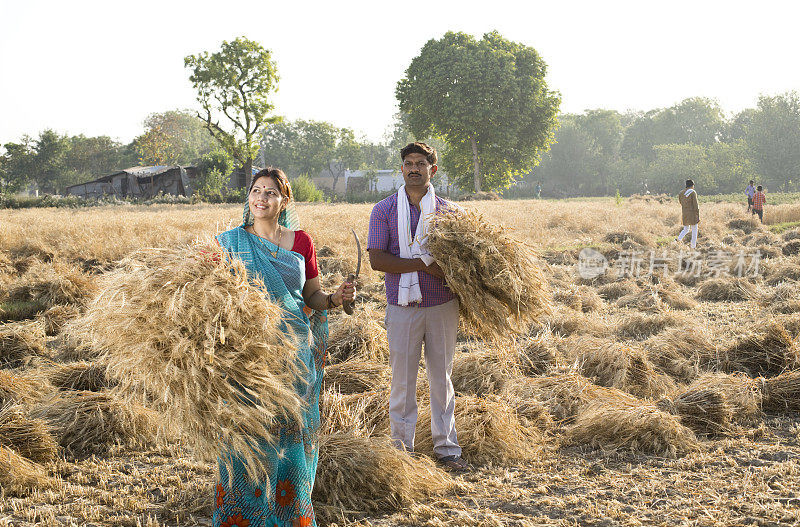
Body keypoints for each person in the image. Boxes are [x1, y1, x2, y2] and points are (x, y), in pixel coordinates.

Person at [214, 167, 355, 527]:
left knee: (289, 437)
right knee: (248, 434)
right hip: (248, 355)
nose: (262, 198)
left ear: (284, 200)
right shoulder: (228, 243)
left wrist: (335, 299)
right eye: (256, 191)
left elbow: (311, 296)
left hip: (293, 354)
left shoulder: (302, 242)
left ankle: (289, 517)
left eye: (270, 193)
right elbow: (210, 300)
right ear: (248, 197)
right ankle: (243, 517)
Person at [367, 142, 468, 472]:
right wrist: (425, 264)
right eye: (408, 163)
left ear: (432, 169)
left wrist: (416, 264)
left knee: (442, 379)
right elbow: (377, 259)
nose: (414, 168)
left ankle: (447, 448)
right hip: (401, 306)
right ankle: (401, 448)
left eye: (421, 163)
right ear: (402, 169)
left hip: (442, 304)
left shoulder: (450, 213)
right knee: (402, 380)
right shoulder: (383, 210)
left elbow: (460, 265)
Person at [676, 179, 700, 249]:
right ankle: (693, 246)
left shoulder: (681, 193)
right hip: (692, 214)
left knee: (686, 229)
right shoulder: (693, 192)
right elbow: (696, 205)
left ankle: (678, 240)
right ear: (692, 185)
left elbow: (681, 202)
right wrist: (697, 215)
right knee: (695, 230)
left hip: (685, 213)